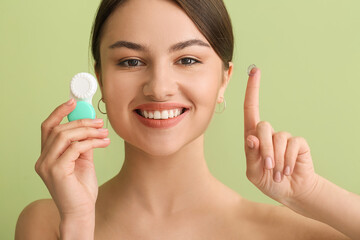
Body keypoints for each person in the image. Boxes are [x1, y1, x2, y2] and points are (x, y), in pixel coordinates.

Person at [15, 0, 360, 239]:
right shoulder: (51, 223)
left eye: (188, 60)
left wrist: (312, 193)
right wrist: (79, 223)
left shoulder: (289, 232)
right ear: (100, 79)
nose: (159, 88)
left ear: (224, 79)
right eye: (131, 62)